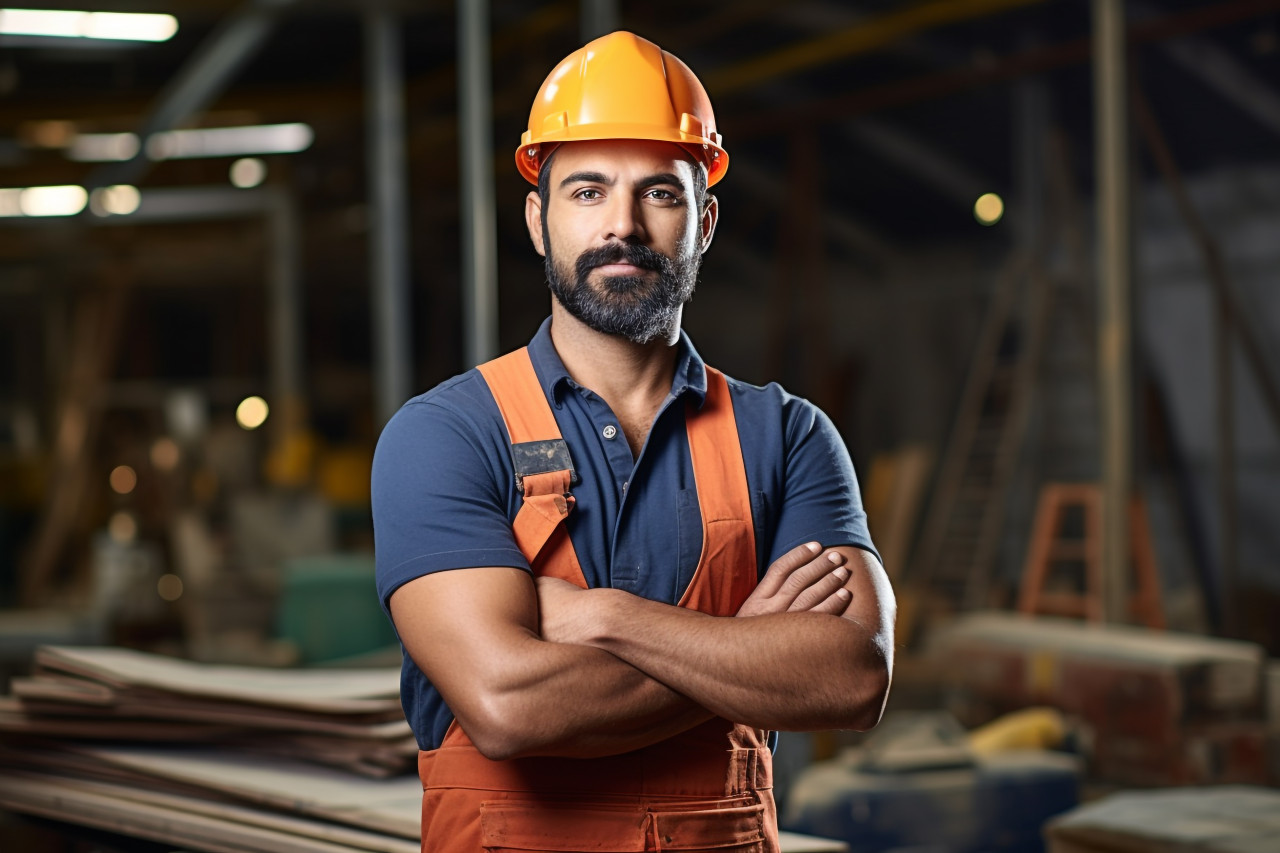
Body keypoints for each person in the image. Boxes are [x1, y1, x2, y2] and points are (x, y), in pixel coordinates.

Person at [373, 30, 894, 853]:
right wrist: (746, 649)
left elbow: (854, 675)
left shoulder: (787, 436)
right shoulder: (446, 435)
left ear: (705, 221)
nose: (624, 224)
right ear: (538, 220)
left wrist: (606, 617)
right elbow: (507, 705)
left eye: (660, 191)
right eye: (587, 191)